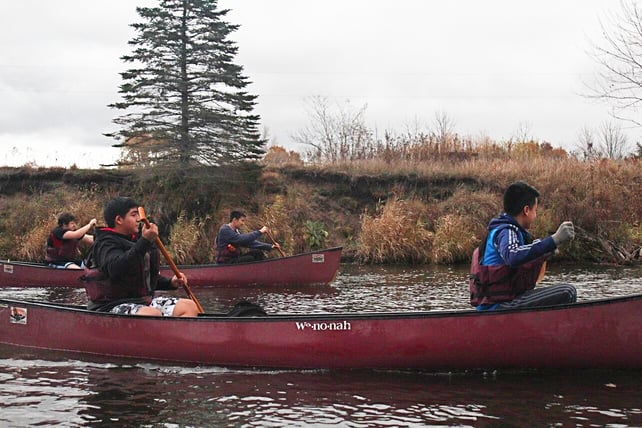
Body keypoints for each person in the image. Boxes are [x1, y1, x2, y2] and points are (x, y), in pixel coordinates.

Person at [82, 197, 199, 317]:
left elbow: (142, 277)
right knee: (152, 314)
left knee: (189, 307)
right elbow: (116, 269)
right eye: (133, 215)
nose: (139, 219)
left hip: (141, 302)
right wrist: (145, 241)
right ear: (119, 220)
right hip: (110, 305)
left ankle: (178, 335)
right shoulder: (105, 243)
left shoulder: (135, 241)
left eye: (138, 214)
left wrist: (170, 283)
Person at [469, 181, 577, 311]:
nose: (535, 215)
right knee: (567, 291)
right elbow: (513, 255)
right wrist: (554, 239)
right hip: (498, 307)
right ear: (526, 210)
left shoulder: (509, 231)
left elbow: (520, 259)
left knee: (564, 292)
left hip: (506, 301)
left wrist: (545, 252)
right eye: (535, 210)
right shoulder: (506, 231)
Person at [215, 210, 280, 264]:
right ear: (234, 220)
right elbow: (241, 239)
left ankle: (260, 273)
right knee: (249, 259)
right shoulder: (225, 230)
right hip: (226, 262)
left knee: (258, 253)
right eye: (242, 220)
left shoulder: (236, 231)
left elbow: (250, 243)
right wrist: (260, 232)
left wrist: (270, 246)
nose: (243, 223)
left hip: (234, 259)